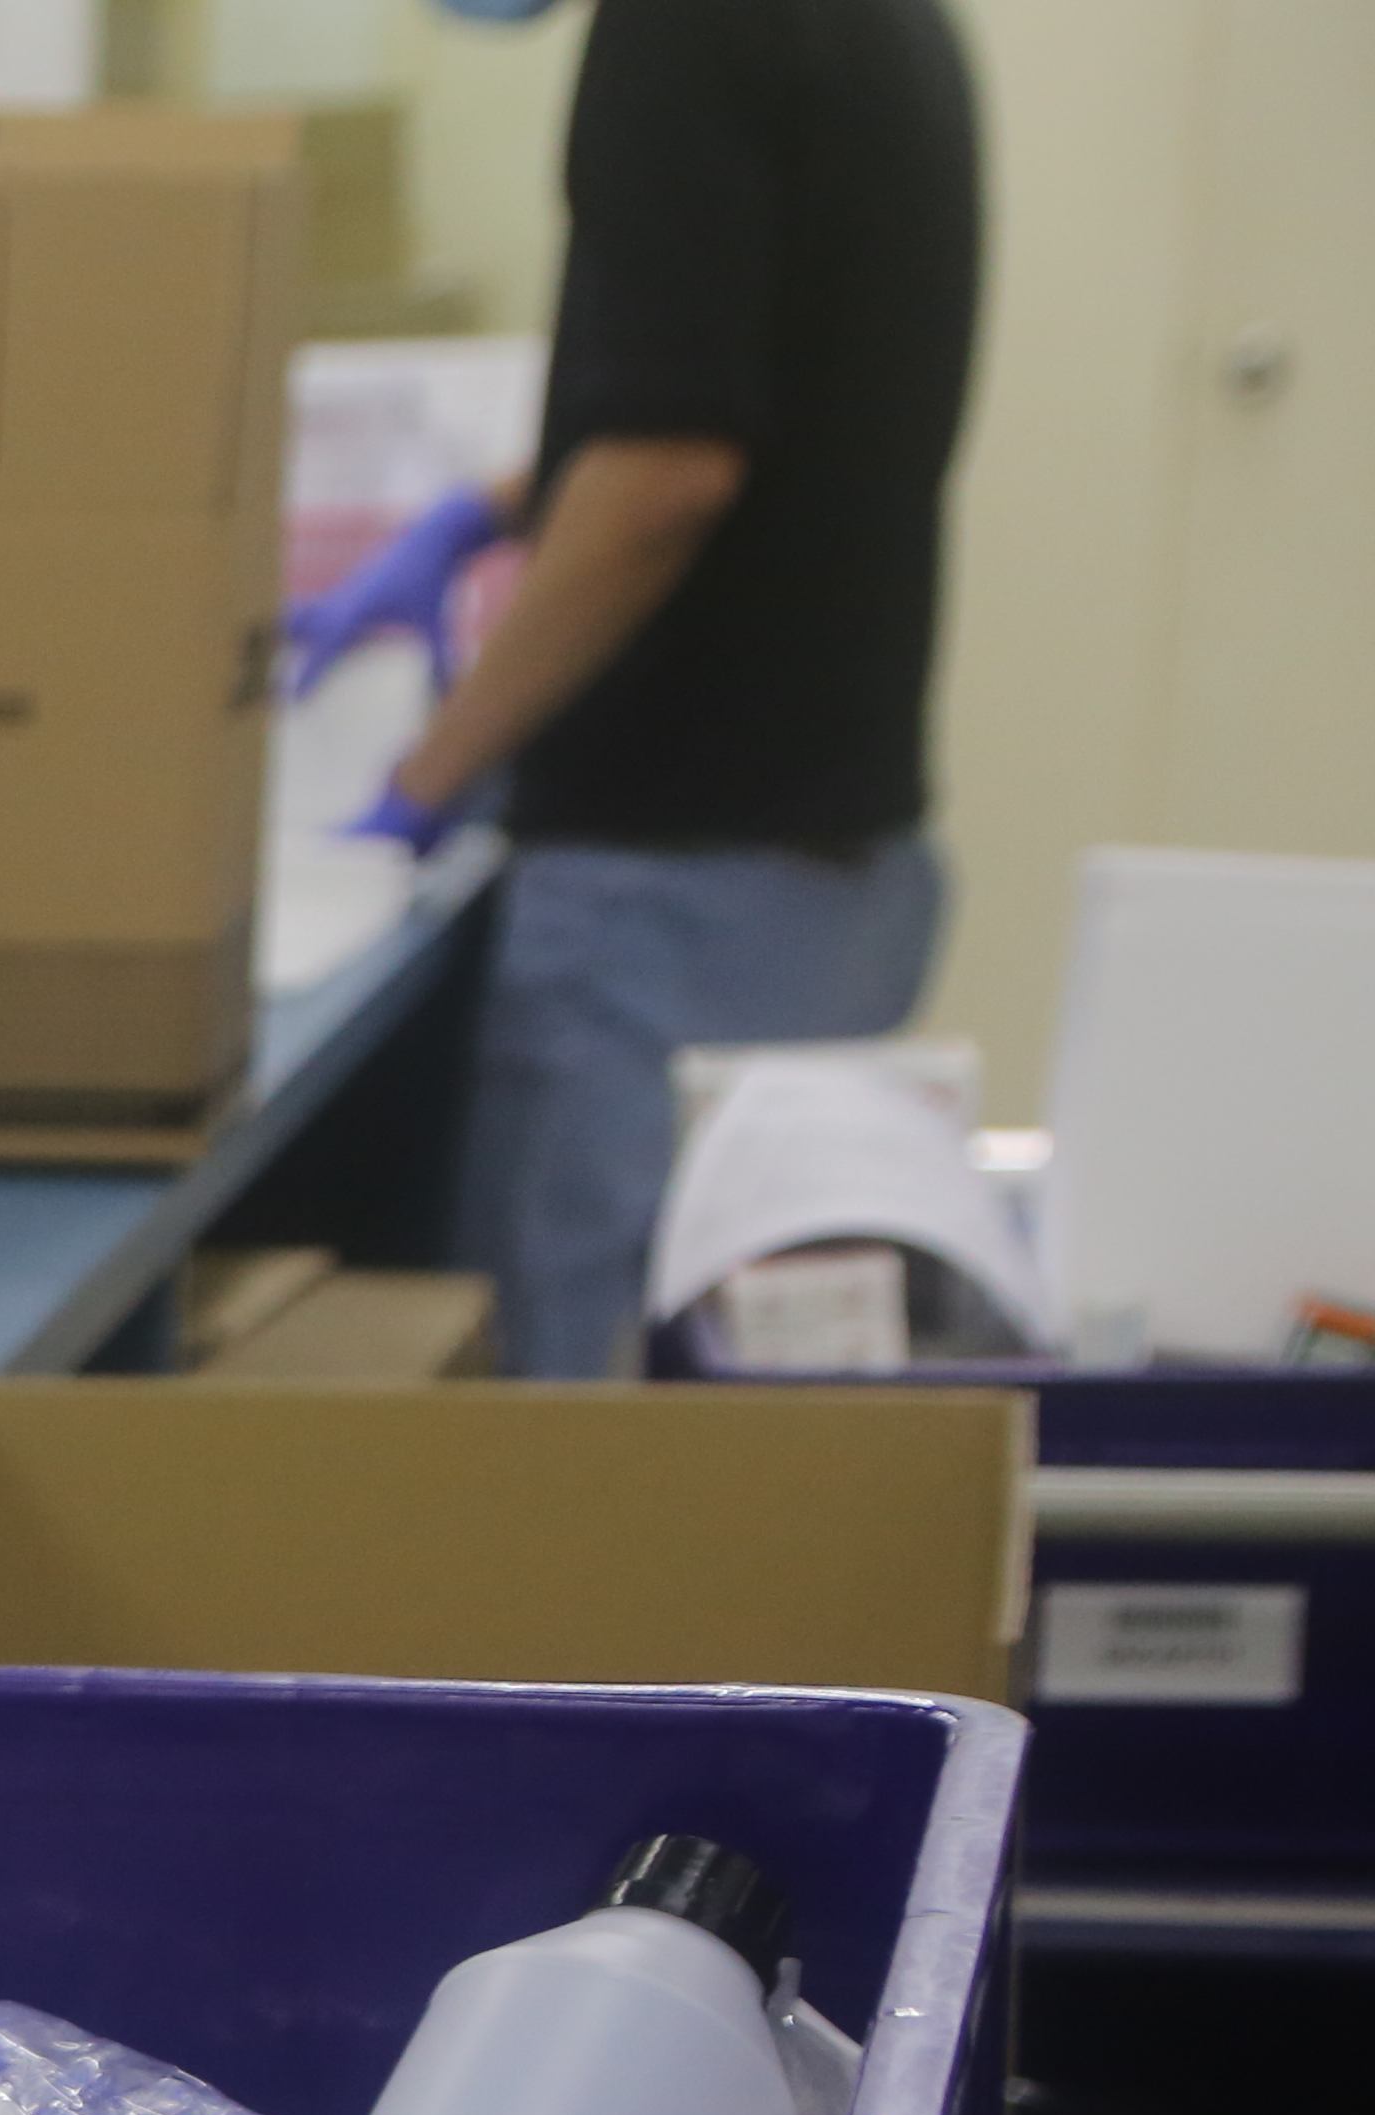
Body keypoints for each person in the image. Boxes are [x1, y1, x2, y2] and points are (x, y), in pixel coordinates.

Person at [317, 0, 985, 1379]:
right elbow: (769, 377)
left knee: (575, 1452)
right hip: (831, 870)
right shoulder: (883, 27)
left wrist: (419, 780)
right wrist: (485, 515)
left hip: (671, 890)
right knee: (720, 1411)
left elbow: (670, 473)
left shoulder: (683, 30)